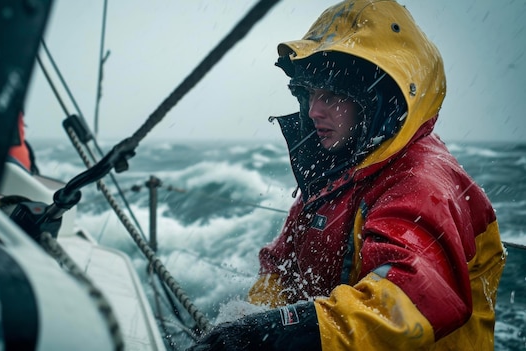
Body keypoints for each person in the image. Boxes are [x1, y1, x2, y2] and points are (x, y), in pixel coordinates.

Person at [189, 0, 506, 350]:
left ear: (378, 99)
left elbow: (413, 296)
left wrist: (280, 332)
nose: (313, 111)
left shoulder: (422, 182)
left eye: (333, 95)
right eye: (309, 94)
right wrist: (254, 320)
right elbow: (281, 265)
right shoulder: (340, 169)